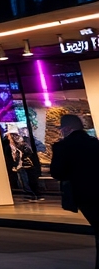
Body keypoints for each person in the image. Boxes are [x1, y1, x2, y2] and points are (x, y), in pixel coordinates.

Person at [50, 114, 99, 268]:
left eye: (62, 129)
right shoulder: (95, 143)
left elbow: (57, 173)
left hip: (83, 195)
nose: (61, 132)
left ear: (68, 128)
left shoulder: (62, 147)